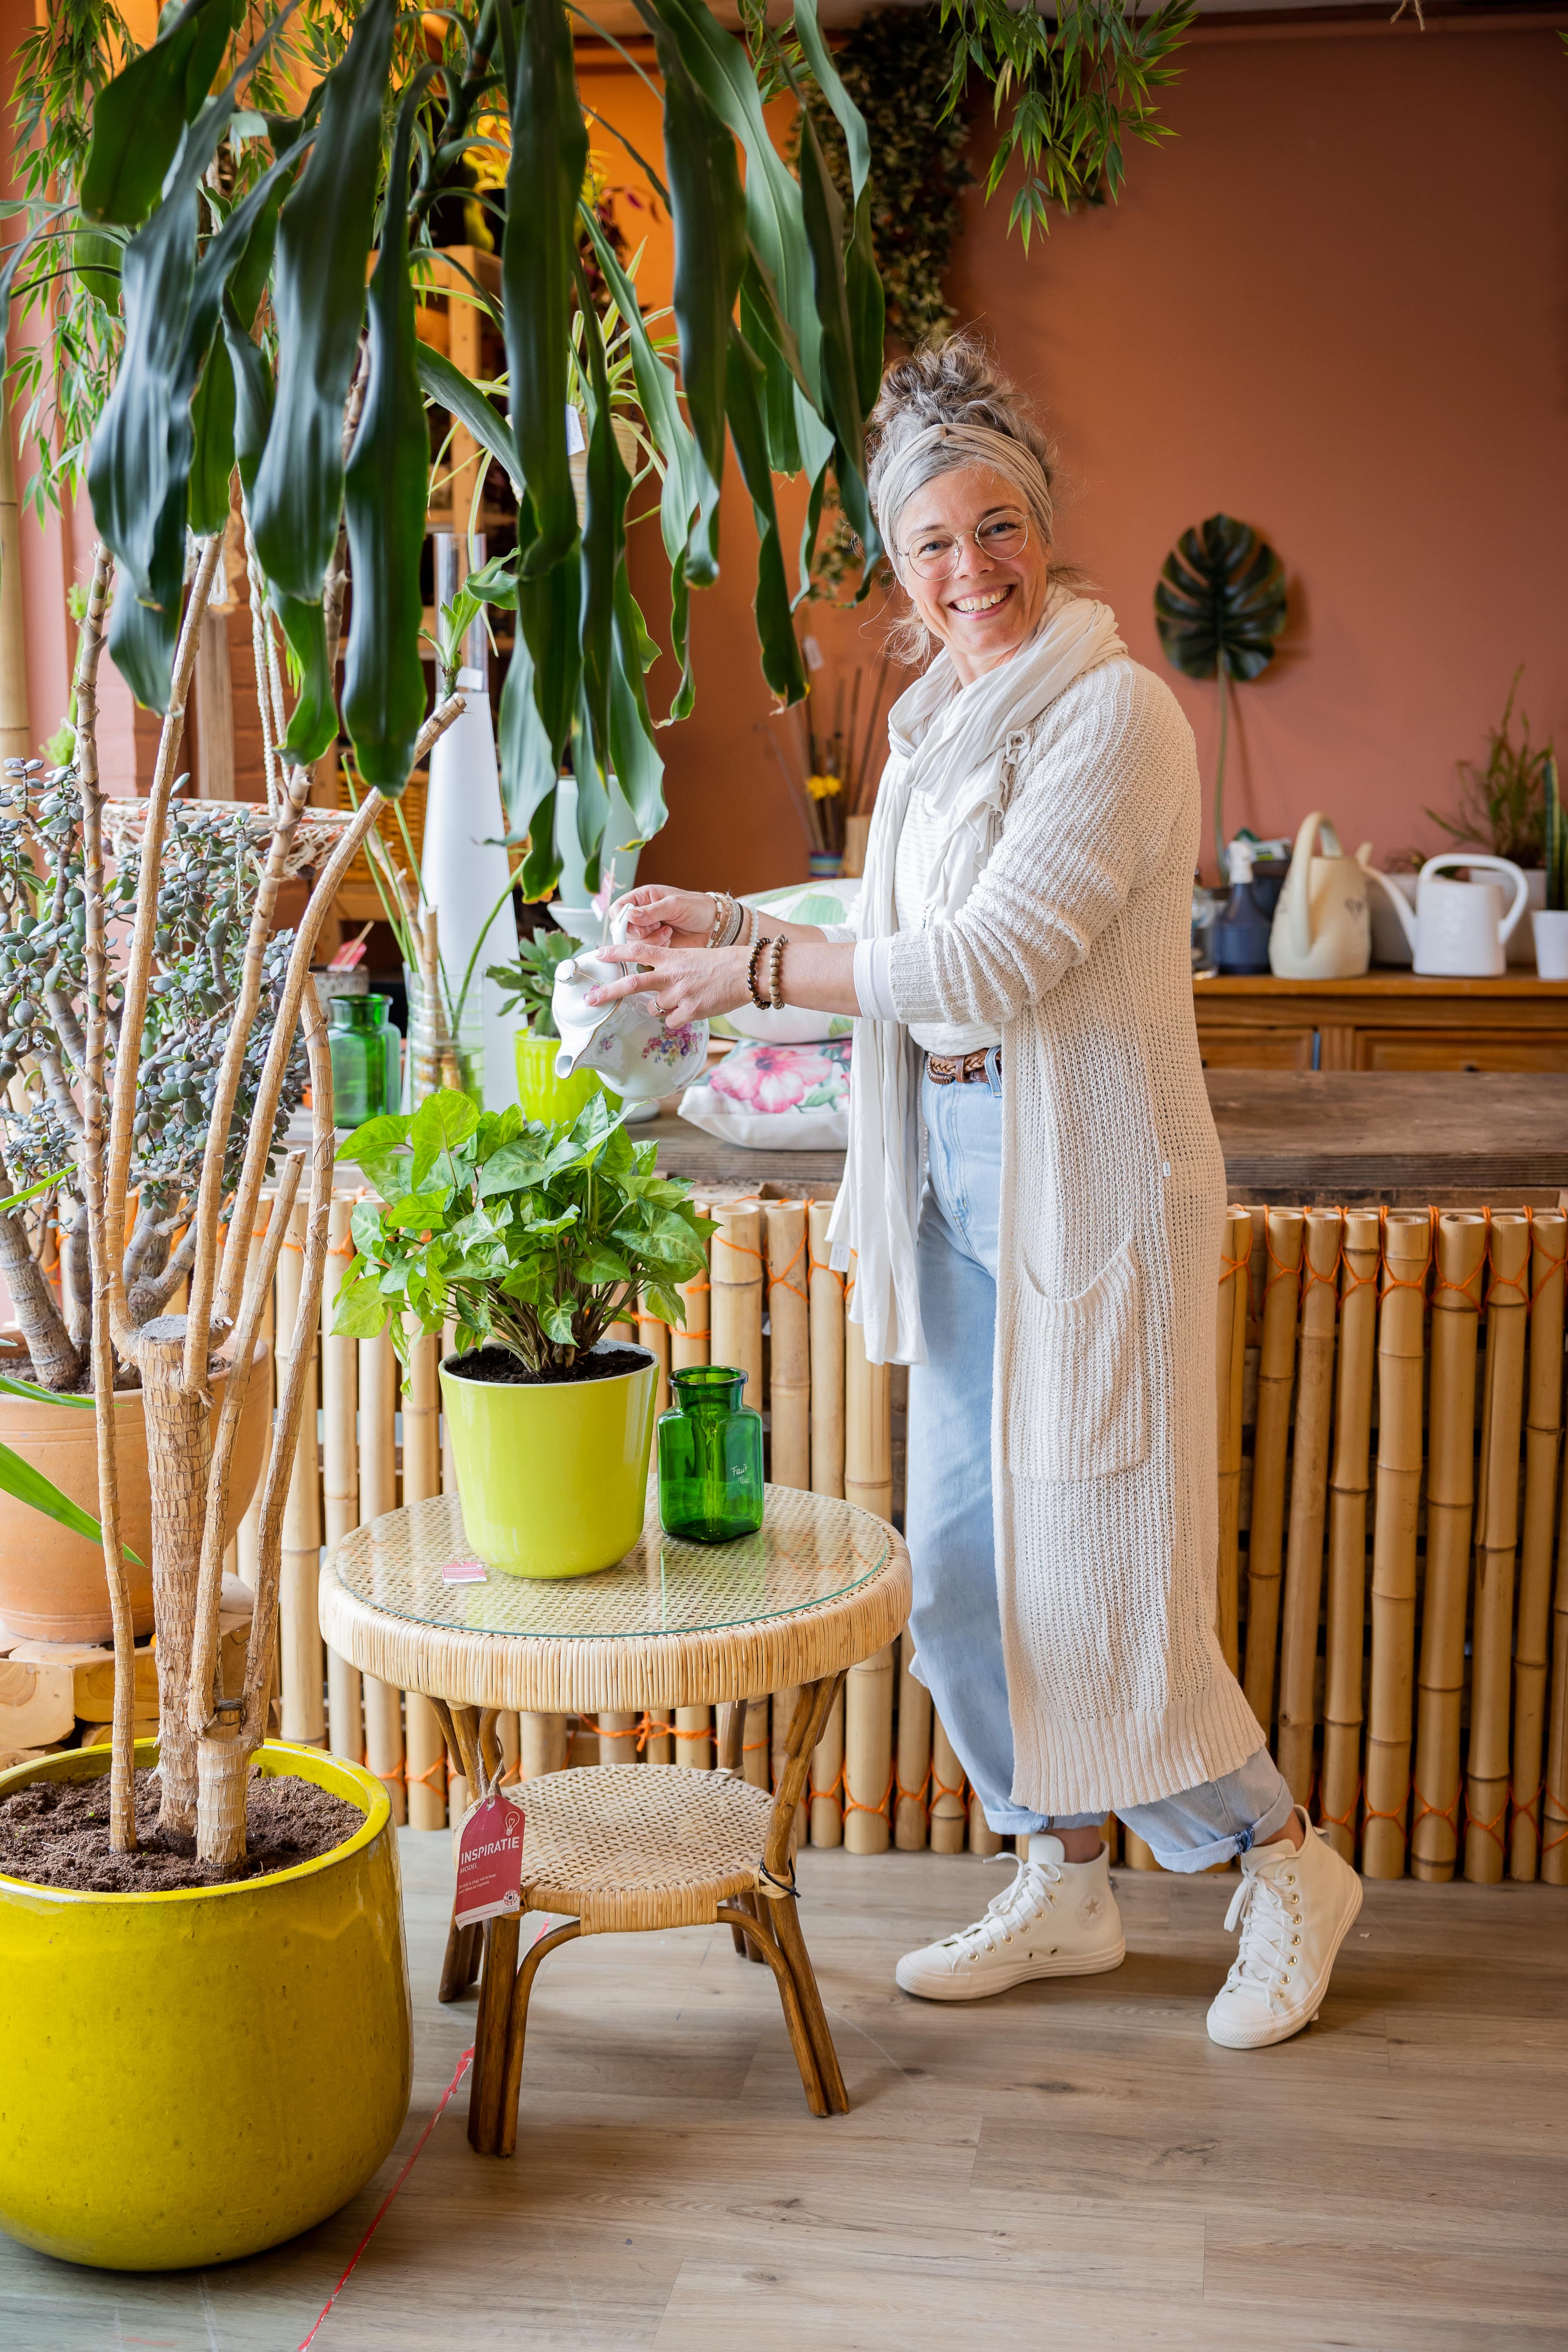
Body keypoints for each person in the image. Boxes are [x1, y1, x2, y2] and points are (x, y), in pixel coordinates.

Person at [591, 339, 1362, 2051]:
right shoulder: (939, 727)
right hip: (946, 1170)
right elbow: (903, 931)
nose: (970, 574)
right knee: (957, 1572)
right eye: (931, 546)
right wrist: (719, 924)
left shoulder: (1121, 715)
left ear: (1048, 526)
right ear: (900, 564)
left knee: (1099, 1574)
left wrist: (760, 972)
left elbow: (996, 957)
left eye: (997, 528)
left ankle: (1283, 1859)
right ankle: (1060, 1871)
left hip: (1086, 1183)